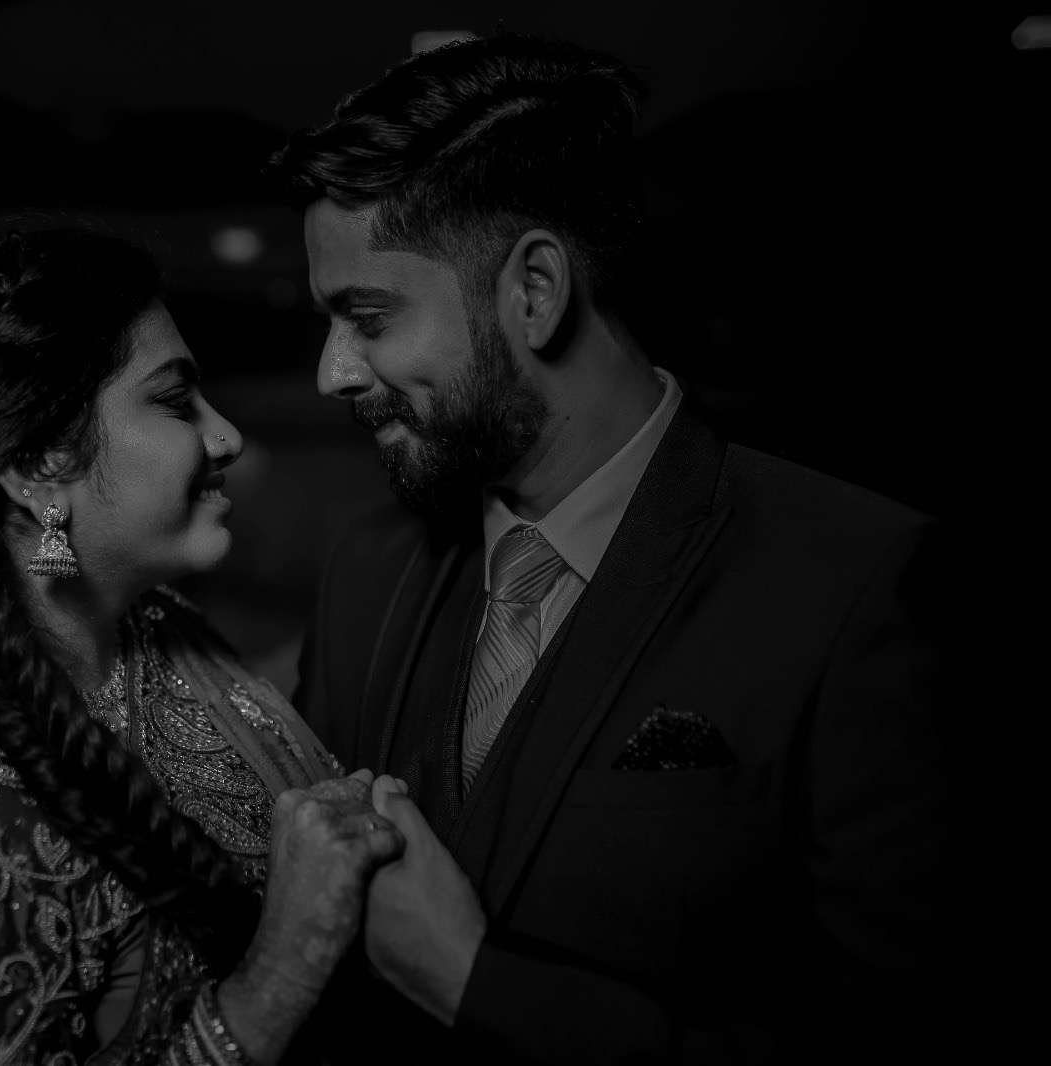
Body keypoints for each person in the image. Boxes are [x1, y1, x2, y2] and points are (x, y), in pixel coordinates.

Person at [268, 33, 951, 1063]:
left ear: (535, 290)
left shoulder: (857, 582)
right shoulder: (370, 567)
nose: (334, 372)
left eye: (367, 316)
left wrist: (473, 984)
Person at [0, 229, 403, 1065]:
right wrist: (284, 966)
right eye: (175, 401)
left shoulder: (144, 624)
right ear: (39, 461)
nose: (226, 436)